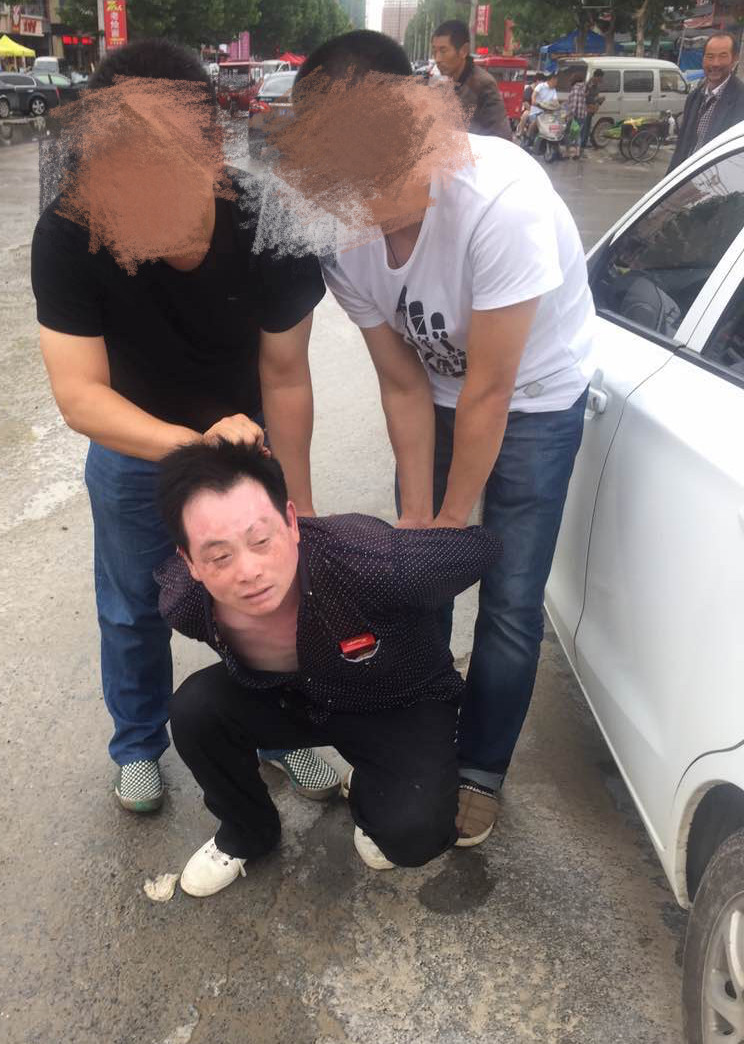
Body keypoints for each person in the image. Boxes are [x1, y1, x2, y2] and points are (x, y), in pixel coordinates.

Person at [284, 30, 596, 847]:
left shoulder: (502, 200)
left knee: (511, 597)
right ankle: (414, 737)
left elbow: (491, 389)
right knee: (415, 573)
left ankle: (481, 769)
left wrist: (456, 520)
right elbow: (403, 382)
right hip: (440, 391)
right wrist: (421, 519)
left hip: (534, 397)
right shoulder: (343, 237)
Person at [30, 39, 339, 815]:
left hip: (246, 440)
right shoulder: (71, 228)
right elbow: (79, 394)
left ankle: (278, 732)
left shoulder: (269, 220)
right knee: (133, 607)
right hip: (133, 445)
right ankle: (138, 745)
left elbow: (285, 375)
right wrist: (192, 445)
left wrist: (297, 507)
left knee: (264, 594)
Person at [155, 441, 502, 897]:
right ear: (190, 563)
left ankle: (372, 789)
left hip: (398, 700)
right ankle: (247, 833)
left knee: (414, 834)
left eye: (261, 541)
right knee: (195, 710)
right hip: (293, 696)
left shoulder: (374, 560)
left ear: (292, 522)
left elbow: (486, 548)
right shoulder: (184, 604)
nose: (248, 571)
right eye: (220, 557)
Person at [668, 32, 744, 173]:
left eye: (722, 56)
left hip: (716, 182)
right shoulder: (694, 97)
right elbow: (681, 148)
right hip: (686, 178)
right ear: (703, 59)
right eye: (710, 56)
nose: (715, 63)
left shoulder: (740, 100)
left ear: (734, 59)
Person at [430, 19, 510, 139]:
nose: (437, 59)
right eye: (434, 51)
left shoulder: (483, 85)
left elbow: (502, 137)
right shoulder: (442, 86)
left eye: (443, 51)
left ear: (463, 51)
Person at [566, 73, 588, 158]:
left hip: (575, 116)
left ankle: (568, 152)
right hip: (582, 115)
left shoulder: (575, 89)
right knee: (577, 134)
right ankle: (577, 153)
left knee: (568, 133)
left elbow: (574, 104)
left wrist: (569, 115)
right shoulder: (583, 88)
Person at [582, 69, 604, 149]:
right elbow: (584, 97)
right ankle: (582, 144)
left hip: (591, 110)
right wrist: (596, 100)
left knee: (588, 127)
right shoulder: (588, 85)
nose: (602, 80)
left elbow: (595, 96)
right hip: (586, 109)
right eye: (601, 78)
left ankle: (584, 143)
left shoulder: (597, 85)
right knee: (584, 128)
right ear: (597, 77)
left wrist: (599, 100)